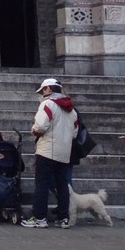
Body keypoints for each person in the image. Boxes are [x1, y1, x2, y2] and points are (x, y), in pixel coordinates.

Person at [22, 77, 78, 229]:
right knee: (62, 184)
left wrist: (34, 131)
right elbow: (74, 132)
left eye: (43, 90)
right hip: (64, 152)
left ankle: (40, 217)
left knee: (42, 184)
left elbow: (39, 126)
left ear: (48, 89)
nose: (42, 93)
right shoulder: (72, 110)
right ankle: (63, 218)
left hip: (47, 150)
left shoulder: (47, 104)